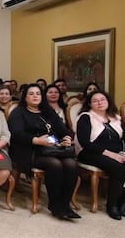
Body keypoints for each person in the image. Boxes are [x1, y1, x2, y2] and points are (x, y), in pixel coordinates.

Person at [76, 91, 125, 220]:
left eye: (103, 99)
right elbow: (85, 142)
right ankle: (111, 205)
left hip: (118, 153)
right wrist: (111, 155)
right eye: (95, 101)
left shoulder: (116, 118)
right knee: (119, 170)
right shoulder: (85, 117)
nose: (100, 102)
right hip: (91, 152)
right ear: (90, 104)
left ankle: (124, 201)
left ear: (108, 102)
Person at [7, 84, 80, 220]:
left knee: (71, 164)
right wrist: (36, 140)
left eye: (38, 93)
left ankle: (65, 204)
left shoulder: (48, 111)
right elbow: (16, 135)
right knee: (55, 165)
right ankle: (55, 205)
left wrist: (67, 138)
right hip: (28, 150)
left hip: (51, 149)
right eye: (31, 94)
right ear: (25, 97)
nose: (35, 96)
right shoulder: (19, 112)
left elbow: (63, 129)